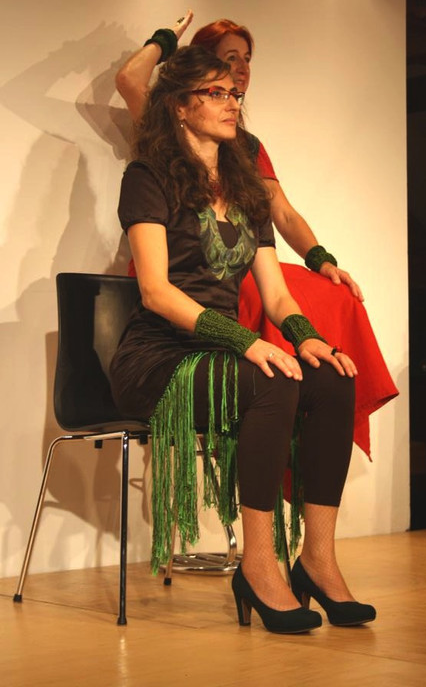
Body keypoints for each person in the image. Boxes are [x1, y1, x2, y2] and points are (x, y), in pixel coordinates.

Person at [110, 45, 376, 633]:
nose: (232, 102)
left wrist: (308, 338)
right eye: (215, 93)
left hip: (221, 353)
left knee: (332, 378)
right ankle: (258, 566)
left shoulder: (246, 186)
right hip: (158, 358)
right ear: (180, 106)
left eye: (234, 93)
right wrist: (247, 342)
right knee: (269, 381)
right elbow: (155, 291)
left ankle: (317, 560)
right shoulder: (147, 177)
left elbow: (277, 296)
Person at [115, 12, 398, 462]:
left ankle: (312, 484)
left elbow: (281, 213)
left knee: (332, 336)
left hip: (230, 282)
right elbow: (130, 79)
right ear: (184, 100)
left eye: (242, 70)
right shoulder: (156, 156)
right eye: (227, 66)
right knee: (273, 373)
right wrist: (166, 39)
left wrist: (319, 264)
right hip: (174, 289)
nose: (239, 78)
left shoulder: (245, 156)